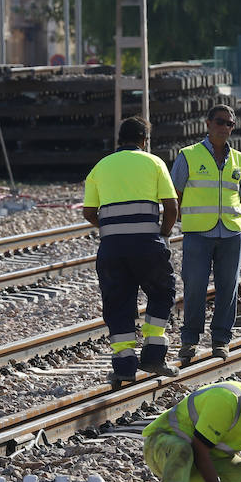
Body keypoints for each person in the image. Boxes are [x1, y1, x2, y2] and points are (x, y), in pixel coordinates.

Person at [82, 116, 179, 387]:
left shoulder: (100, 167)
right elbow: (171, 207)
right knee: (162, 292)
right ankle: (153, 354)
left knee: (118, 303)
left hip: (111, 248)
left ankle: (124, 366)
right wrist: (164, 235)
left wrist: (113, 227)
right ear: (144, 141)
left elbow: (89, 211)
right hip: (147, 244)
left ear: (119, 141)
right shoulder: (154, 162)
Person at [172, 104, 241, 362]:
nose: (224, 127)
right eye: (220, 122)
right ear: (207, 124)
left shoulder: (240, 159)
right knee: (195, 286)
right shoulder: (188, 155)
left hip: (231, 232)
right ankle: (189, 341)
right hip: (198, 233)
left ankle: (221, 340)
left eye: (229, 124)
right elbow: (176, 193)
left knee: (228, 287)